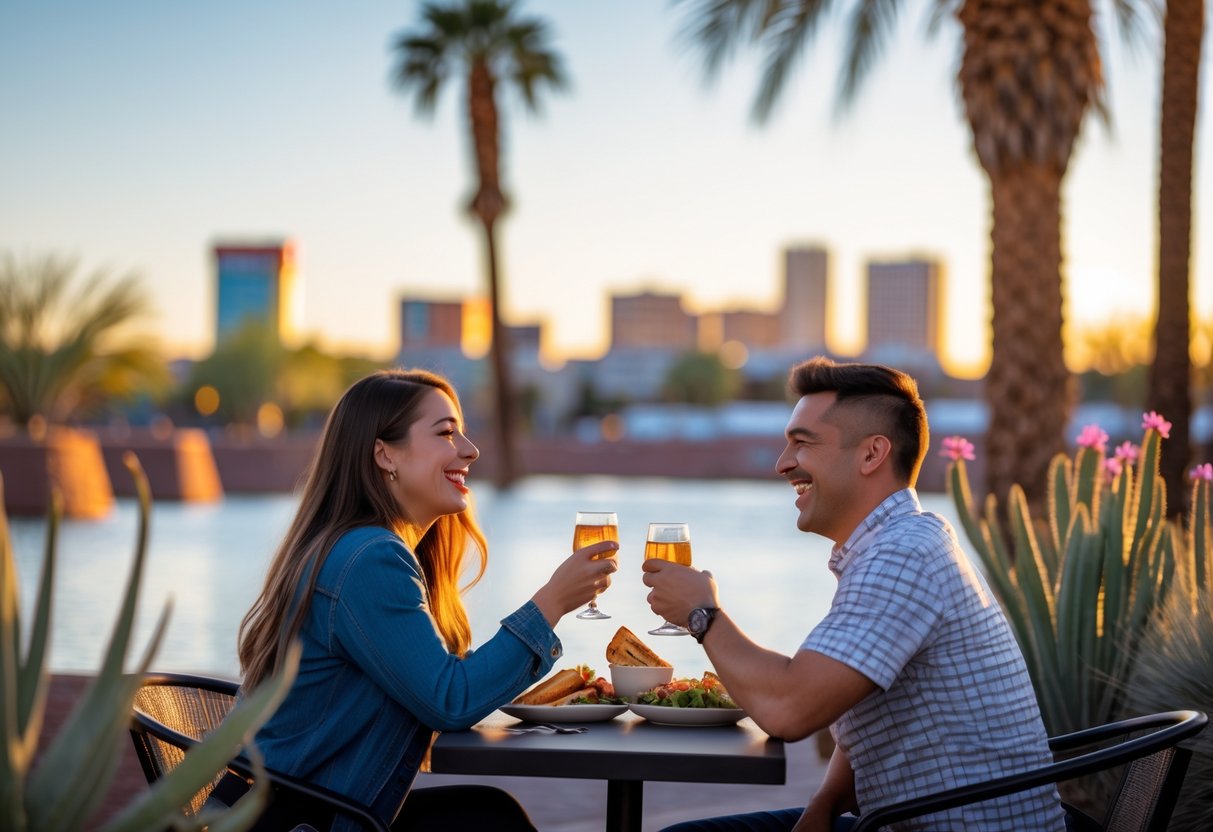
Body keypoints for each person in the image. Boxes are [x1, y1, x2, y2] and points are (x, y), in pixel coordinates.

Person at [643, 357, 1067, 831]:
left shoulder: (904, 556)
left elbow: (789, 709)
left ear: (871, 455)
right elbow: (860, 698)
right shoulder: (900, 545)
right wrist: (824, 804)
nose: (783, 464)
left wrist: (704, 615)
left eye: (802, 443)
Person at [217, 369, 618, 831]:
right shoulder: (369, 558)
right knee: (489, 821)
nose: (470, 449)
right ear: (385, 454)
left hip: (306, 808)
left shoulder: (358, 548)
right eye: (446, 433)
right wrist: (551, 603)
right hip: (301, 822)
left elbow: (438, 688)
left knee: (489, 816)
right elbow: (449, 701)